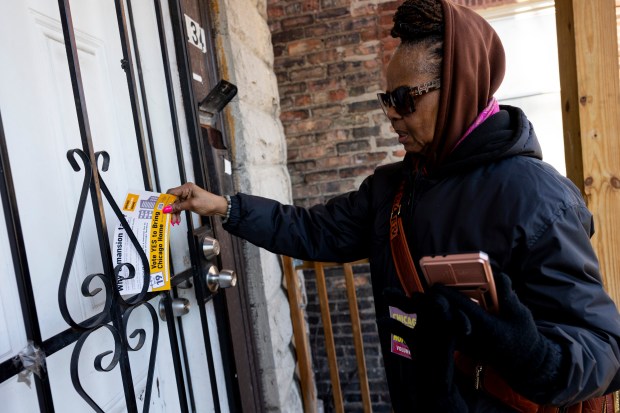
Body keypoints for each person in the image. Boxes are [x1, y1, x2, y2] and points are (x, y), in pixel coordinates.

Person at [164, 0, 620, 411]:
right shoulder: (395, 187)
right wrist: (227, 207)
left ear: (460, 86)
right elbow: (314, 230)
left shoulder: (537, 196)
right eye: (387, 99)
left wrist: (528, 353)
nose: (392, 115)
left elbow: (603, 351)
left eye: (405, 98)